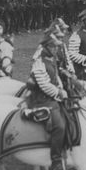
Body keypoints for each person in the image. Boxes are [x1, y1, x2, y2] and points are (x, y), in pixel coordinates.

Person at [27, 33, 69, 162]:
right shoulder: (39, 63)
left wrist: (61, 88)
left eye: (56, 47)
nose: (56, 49)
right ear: (45, 47)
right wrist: (58, 93)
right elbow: (44, 84)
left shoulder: (51, 60)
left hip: (52, 98)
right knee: (59, 127)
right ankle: (55, 158)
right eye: (53, 47)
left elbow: (56, 78)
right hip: (41, 100)